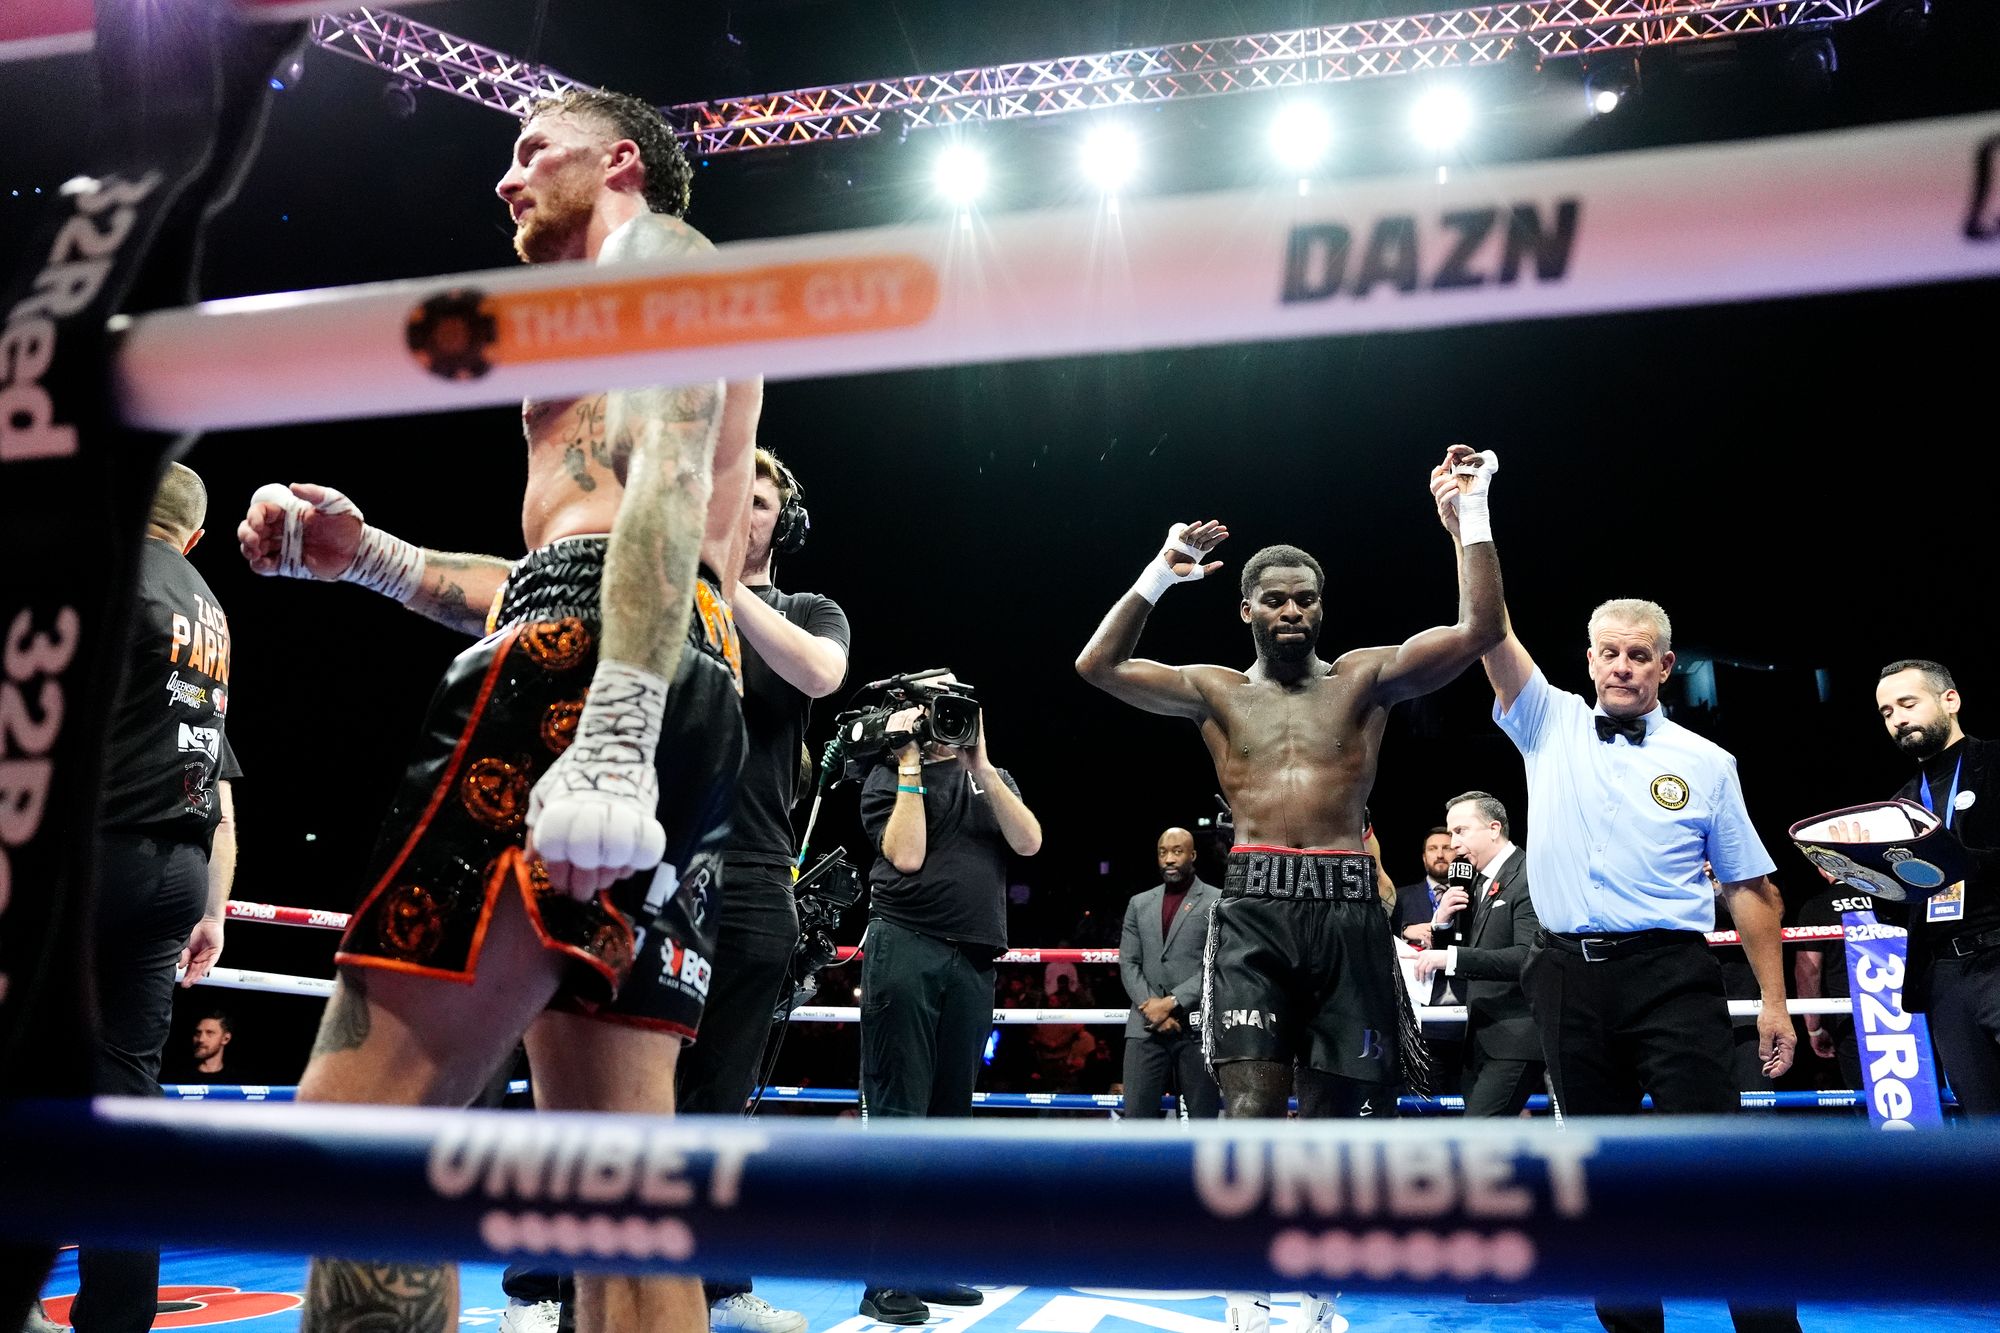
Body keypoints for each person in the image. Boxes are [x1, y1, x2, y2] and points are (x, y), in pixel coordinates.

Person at [236, 88, 760, 1333]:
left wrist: (615, 733)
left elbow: (665, 485)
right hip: (661, 661)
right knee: (616, 1187)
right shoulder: (589, 323)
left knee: (365, 1139)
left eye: (533, 150)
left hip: (592, 683)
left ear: (621, 161)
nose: (504, 178)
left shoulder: (660, 252)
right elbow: (553, 561)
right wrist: (366, 557)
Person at [1455, 447, 1797, 1333]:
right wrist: (1472, 516)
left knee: (1714, 1168)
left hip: (1673, 976)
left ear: (1665, 664)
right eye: (1607, 652)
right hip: (1565, 977)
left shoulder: (1707, 762)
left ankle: (1768, 1328)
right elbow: (1488, 629)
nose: (1620, 666)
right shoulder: (1547, 721)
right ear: (1590, 657)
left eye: (1637, 655)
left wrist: (1773, 1001)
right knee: (1597, 1182)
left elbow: (1753, 888)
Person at [1075, 447, 1504, 1127]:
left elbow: (1479, 629)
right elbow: (1098, 664)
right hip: (1253, 908)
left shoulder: (1365, 680)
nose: (1291, 609)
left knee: (1340, 1113)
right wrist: (1160, 574)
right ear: (1246, 609)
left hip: (1348, 906)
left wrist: (1471, 513)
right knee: (1250, 1105)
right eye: (1274, 599)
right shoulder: (1214, 690)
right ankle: (1249, 1233)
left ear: (1322, 607)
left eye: (1305, 598)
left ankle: (1323, 1233)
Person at [65, 462, 240, 1333]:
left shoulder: (109, 573)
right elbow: (219, 776)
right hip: (176, 871)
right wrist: (211, 902)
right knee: (125, 1094)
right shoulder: (210, 608)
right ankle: (117, 1318)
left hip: (94, 855)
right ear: (198, 534)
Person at [689, 449, 848, 1333]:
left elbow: (821, 674)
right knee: (615, 1088)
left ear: (780, 521)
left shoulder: (805, 609)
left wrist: (726, 586)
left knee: (726, 1089)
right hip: (657, 864)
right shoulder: (670, 597)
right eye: (726, 497)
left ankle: (717, 1286)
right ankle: (554, 1289)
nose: (736, 510)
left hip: (754, 870)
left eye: (755, 501)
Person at [855, 700, 1042, 1323]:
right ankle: (884, 1278)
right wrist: (908, 761)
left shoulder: (991, 778)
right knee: (897, 1111)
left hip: (974, 961)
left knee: (948, 1120)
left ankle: (930, 1262)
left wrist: (981, 764)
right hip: (906, 945)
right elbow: (905, 856)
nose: (947, 718)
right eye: (935, 706)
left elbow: (1029, 840)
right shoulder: (885, 775)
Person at [1866, 659, 2000, 1113]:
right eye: (1886, 713)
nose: (1898, 719)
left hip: (1998, 954)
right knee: (1983, 1123)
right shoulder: (1898, 804)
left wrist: (1951, 864)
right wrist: (1869, 880)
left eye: (1907, 703)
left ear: (1951, 700)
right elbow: (1900, 908)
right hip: (1945, 976)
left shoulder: (1995, 763)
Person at [1411, 791, 1542, 1117]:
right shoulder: (1476, 881)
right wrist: (1440, 923)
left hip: (1516, 1036)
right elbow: (1466, 951)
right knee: (1485, 1150)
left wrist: (1451, 957)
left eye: (1460, 831)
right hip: (1479, 1037)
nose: (1453, 842)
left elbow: (1527, 957)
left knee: (1476, 1136)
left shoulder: (1527, 875)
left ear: (1494, 829)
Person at [1118, 827, 1223, 1119]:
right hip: (1145, 1025)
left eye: (1177, 851)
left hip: (1196, 1028)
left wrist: (1172, 1002)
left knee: (1203, 1122)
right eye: (1163, 852)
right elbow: (1128, 962)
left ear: (1193, 855)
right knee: (1138, 1119)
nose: (1169, 859)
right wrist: (1152, 1007)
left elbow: (1216, 964)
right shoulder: (1139, 904)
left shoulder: (1217, 901)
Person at [1793, 881, 1874, 1094]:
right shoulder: (1890, 896)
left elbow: (1808, 971)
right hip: (1899, 1009)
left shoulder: (1818, 906)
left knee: (1865, 1100)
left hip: (1850, 1015)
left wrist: (1814, 1028)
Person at [1393, 827, 1456, 949]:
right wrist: (1404, 929)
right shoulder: (1399, 897)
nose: (1440, 855)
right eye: (1432, 849)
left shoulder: (1472, 894)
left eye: (1447, 848)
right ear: (1424, 858)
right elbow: (1380, 930)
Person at [165, 1011, 236, 1084]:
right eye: (198, 1033)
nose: (201, 1039)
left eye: (209, 1033)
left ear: (225, 1038)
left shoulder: (237, 1082)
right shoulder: (177, 1079)